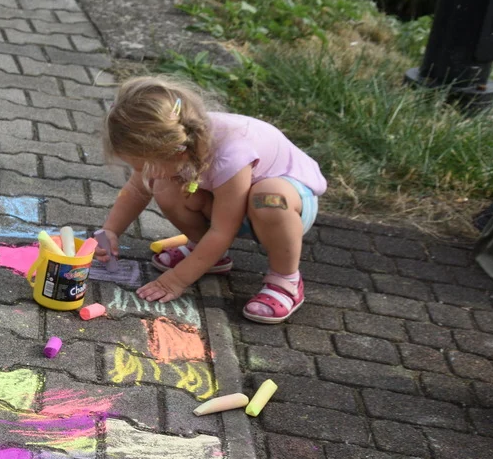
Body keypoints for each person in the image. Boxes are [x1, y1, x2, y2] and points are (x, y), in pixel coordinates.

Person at [95, 76, 326, 323]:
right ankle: (207, 254)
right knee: (163, 185)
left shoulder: (231, 153)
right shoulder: (175, 141)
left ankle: (286, 279)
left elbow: (222, 230)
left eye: (146, 164)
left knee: (267, 198)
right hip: (230, 201)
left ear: (176, 152)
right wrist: (110, 231)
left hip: (285, 205)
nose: (144, 171)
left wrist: (176, 280)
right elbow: (136, 189)